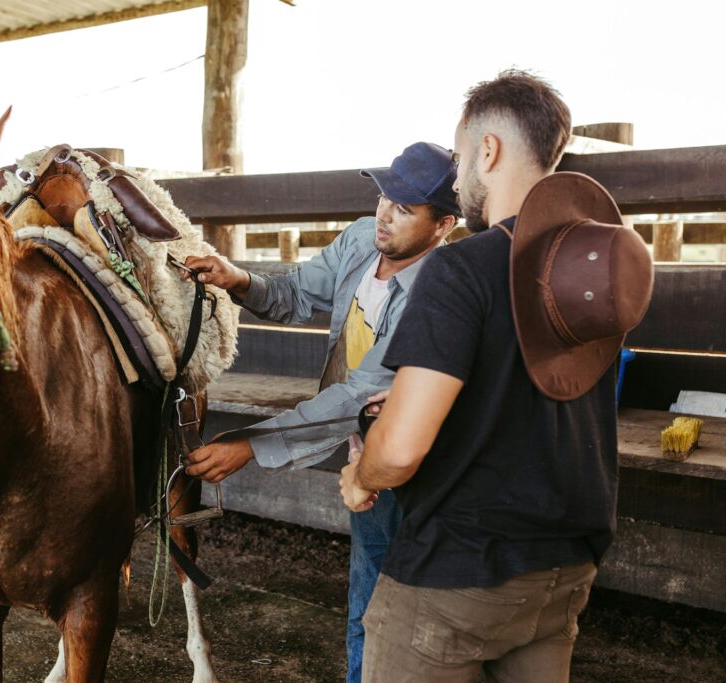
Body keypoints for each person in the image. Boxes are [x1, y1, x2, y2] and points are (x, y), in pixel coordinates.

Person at [340, 69, 653, 682]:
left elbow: (399, 452)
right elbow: (532, 382)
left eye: (459, 160)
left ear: (488, 151)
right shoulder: (589, 262)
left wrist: (360, 475)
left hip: (457, 572)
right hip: (561, 570)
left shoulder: (461, 267)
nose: (458, 180)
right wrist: (414, 396)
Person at [182, 142, 460, 683]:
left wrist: (251, 442)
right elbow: (294, 295)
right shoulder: (362, 238)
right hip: (374, 450)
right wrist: (235, 279)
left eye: (404, 208)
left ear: (444, 223)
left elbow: (362, 390)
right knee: (368, 604)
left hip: (431, 456)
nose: (384, 213)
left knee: (426, 613)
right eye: (383, 196)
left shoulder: (439, 286)